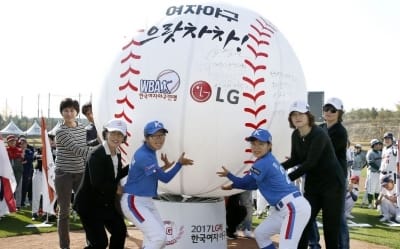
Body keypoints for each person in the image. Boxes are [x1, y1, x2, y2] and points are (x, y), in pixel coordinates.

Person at [217, 128, 311, 249]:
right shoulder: (267, 160)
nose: (256, 147)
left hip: (293, 208)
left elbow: (244, 182)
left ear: (269, 145)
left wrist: (229, 175)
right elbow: (254, 185)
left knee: (287, 246)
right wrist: (233, 185)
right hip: (286, 208)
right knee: (261, 233)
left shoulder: (263, 163)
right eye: (253, 144)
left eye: (261, 144)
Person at [281, 100, 345, 249]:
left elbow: (310, 163)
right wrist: (276, 169)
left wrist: (285, 178)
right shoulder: (295, 135)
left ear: (308, 116)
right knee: (303, 222)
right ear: (290, 119)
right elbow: (295, 159)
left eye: (301, 114)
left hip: (333, 185)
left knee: (331, 229)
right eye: (294, 115)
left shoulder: (319, 134)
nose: (297, 117)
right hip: (314, 184)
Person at [120, 120, 194, 249]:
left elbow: (150, 175)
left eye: (161, 135)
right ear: (147, 138)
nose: (159, 139)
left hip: (144, 201)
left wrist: (163, 167)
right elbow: (165, 179)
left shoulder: (149, 151)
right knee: (158, 237)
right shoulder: (145, 155)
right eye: (155, 136)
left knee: (159, 239)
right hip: (134, 201)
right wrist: (179, 164)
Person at [73, 118, 129, 249]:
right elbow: (97, 183)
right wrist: (116, 189)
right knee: (99, 243)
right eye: (113, 133)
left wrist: (134, 166)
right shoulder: (96, 154)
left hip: (104, 204)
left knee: (120, 231)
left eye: (120, 134)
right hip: (88, 205)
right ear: (106, 134)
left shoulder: (117, 153)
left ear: (124, 137)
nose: (116, 137)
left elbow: (115, 176)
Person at [55, 97, 94, 249]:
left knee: (86, 209)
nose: (69, 113)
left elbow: (86, 147)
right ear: (62, 113)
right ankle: (64, 246)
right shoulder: (60, 132)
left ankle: (91, 243)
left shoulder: (82, 128)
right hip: (63, 174)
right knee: (64, 212)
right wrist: (103, 150)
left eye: (72, 110)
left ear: (77, 112)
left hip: (80, 173)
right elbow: (80, 150)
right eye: (66, 110)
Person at [318, 97, 349, 249]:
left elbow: (324, 153)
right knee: (308, 214)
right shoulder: (321, 127)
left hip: (336, 179)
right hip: (321, 179)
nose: (328, 112)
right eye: (326, 108)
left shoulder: (340, 132)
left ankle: (344, 246)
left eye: (333, 110)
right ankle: (313, 244)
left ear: (339, 113)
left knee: (338, 218)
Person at [6, 134, 24, 209]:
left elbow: (22, 160)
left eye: (13, 141)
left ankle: (18, 205)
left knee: (18, 189)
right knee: (8, 189)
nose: (12, 142)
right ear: (8, 142)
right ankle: (8, 204)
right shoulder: (5, 150)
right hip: (8, 173)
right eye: (11, 141)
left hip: (18, 172)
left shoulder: (19, 150)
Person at [365, 138, 383, 209]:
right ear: (373, 145)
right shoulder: (370, 153)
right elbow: (371, 163)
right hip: (372, 173)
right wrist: (379, 168)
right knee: (371, 189)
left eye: (378, 144)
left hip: (379, 173)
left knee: (377, 189)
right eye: (376, 144)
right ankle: (369, 204)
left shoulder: (380, 152)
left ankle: (376, 204)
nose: (378, 145)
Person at [19, 137, 34, 208]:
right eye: (20, 144)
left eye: (23, 143)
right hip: (18, 172)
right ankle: (17, 201)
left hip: (27, 172)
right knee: (18, 187)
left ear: (26, 144)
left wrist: (24, 153)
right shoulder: (17, 150)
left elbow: (31, 159)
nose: (22, 145)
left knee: (25, 187)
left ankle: (22, 202)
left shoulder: (29, 151)